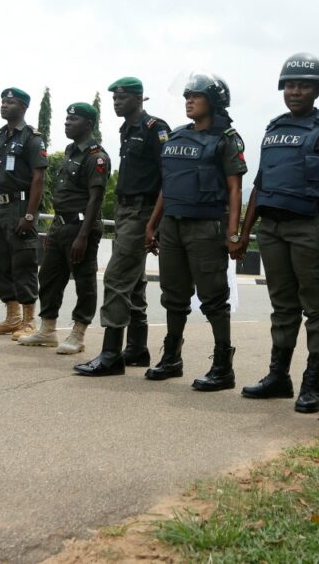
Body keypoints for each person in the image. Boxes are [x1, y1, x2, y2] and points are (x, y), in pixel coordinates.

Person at [234, 53, 319, 413]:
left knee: (318, 309)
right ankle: (278, 377)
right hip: (271, 228)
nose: (295, 91)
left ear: (318, 89)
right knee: (282, 306)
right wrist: (244, 232)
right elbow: (259, 185)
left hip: (312, 226)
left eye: (303, 85)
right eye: (289, 84)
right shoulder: (272, 128)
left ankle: (313, 383)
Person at [143, 72, 247, 391]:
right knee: (173, 296)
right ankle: (172, 357)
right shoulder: (175, 137)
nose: (189, 101)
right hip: (172, 225)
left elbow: (235, 189)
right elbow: (167, 184)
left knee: (214, 298)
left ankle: (222, 367)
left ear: (213, 102)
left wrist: (233, 233)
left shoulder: (226, 138)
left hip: (206, 226)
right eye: (187, 96)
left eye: (196, 96)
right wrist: (152, 223)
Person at [76, 77, 171, 376]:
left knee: (116, 278)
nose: (116, 102)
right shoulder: (126, 130)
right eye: (114, 98)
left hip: (143, 210)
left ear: (139, 98)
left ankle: (110, 354)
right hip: (125, 208)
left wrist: (153, 222)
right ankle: (137, 348)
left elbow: (168, 178)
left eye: (122, 97)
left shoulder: (155, 128)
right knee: (134, 281)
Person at [20, 103, 111, 353]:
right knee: (48, 278)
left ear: (89, 124)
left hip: (81, 227)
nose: (67, 123)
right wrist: (53, 228)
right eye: (66, 118)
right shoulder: (71, 151)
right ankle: (47, 330)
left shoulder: (97, 156)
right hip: (60, 226)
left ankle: (78, 334)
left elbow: (96, 199)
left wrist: (83, 236)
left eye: (74, 119)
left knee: (83, 280)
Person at [0, 88, 47, 338]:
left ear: (22, 107)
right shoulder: (2, 136)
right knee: (1, 264)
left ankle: (29, 321)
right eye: (2, 101)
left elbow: (38, 178)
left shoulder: (32, 137)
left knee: (23, 263)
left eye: (9, 102)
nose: (3, 105)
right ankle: (12, 317)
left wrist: (30, 215)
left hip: (21, 207)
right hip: (0, 208)